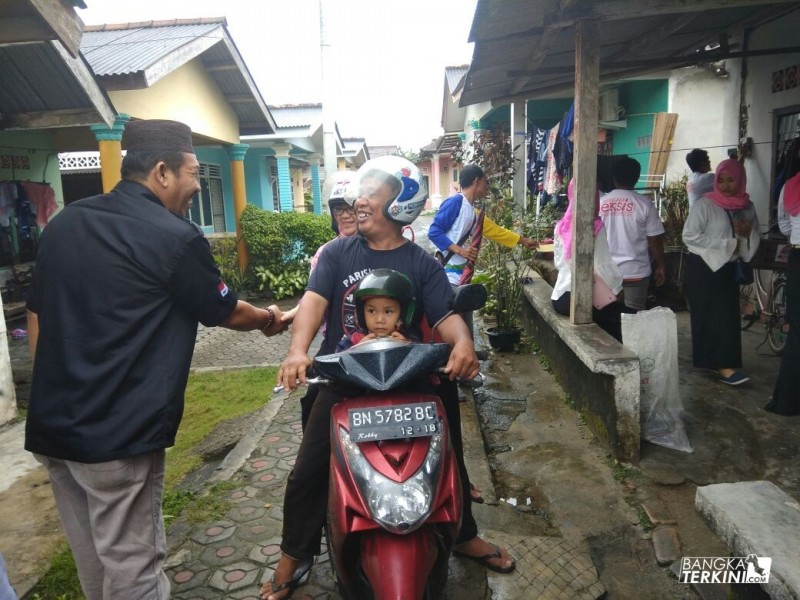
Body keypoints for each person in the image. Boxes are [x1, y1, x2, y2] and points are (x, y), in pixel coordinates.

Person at [25, 119, 286, 600]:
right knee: (133, 568)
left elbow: (36, 315)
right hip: (116, 436)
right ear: (163, 172)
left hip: (54, 427)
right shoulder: (174, 237)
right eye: (191, 172)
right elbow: (226, 311)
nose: (193, 186)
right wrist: (273, 317)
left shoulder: (66, 223)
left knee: (93, 560)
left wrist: (53, 391)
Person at [262, 156, 514, 600]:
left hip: (413, 379)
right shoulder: (338, 253)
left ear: (400, 205)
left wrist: (462, 344)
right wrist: (298, 351)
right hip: (346, 380)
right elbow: (314, 303)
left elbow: (446, 314)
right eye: (361, 193)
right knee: (307, 471)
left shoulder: (421, 262)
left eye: (372, 195)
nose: (359, 201)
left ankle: (461, 533)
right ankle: (293, 554)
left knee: (449, 459)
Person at [682, 158, 760, 386]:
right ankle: (720, 364)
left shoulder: (747, 206)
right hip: (704, 268)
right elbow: (689, 236)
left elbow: (752, 238)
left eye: (731, 180)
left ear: (741, 180)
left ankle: (721, 363)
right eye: (721, 180)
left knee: (727, 317)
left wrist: (746, 235)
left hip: (728, 270)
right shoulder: (705, 204)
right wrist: (728, 244)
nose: (726, 185)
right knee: (708, 316)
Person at [428, 163, 538, 288]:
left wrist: (523, 241)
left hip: (460, 276)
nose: (487, 186)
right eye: (485, 182)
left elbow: (496, 231)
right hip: (447, 276)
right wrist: (461, 251)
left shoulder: (473, 213)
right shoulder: (455, 202)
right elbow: (434, 232)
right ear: (477, 181)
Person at [551, 179, 634, 342]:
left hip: (560, 299)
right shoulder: (594, 225)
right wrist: (618, 290)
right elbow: (603, 266)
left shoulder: (561, 225)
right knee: (624, 320)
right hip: (581, 298)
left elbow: (559, 263)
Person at [599, 156, 666, 311]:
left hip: (605, 272)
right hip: (636, 272)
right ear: (636, 179)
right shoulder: (645, 205)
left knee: (607, 318)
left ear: (614, 178)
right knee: (634, 320)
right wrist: (661, 265)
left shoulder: (600, 204)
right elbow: (654, 239)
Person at [766, 158, 800, 415]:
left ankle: (788, 401)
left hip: (798, 258)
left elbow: (786, 226)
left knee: (797, 335)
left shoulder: (790, 186)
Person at [336, 268, 414, 350]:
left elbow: (421, 357)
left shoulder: (406, 340)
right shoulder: (353, 341)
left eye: (388, 311)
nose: (379, 320)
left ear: (403, 314)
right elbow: (339, 357)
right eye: (371, 311)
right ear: (361, 314)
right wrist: (357, 350)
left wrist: (406, 348)